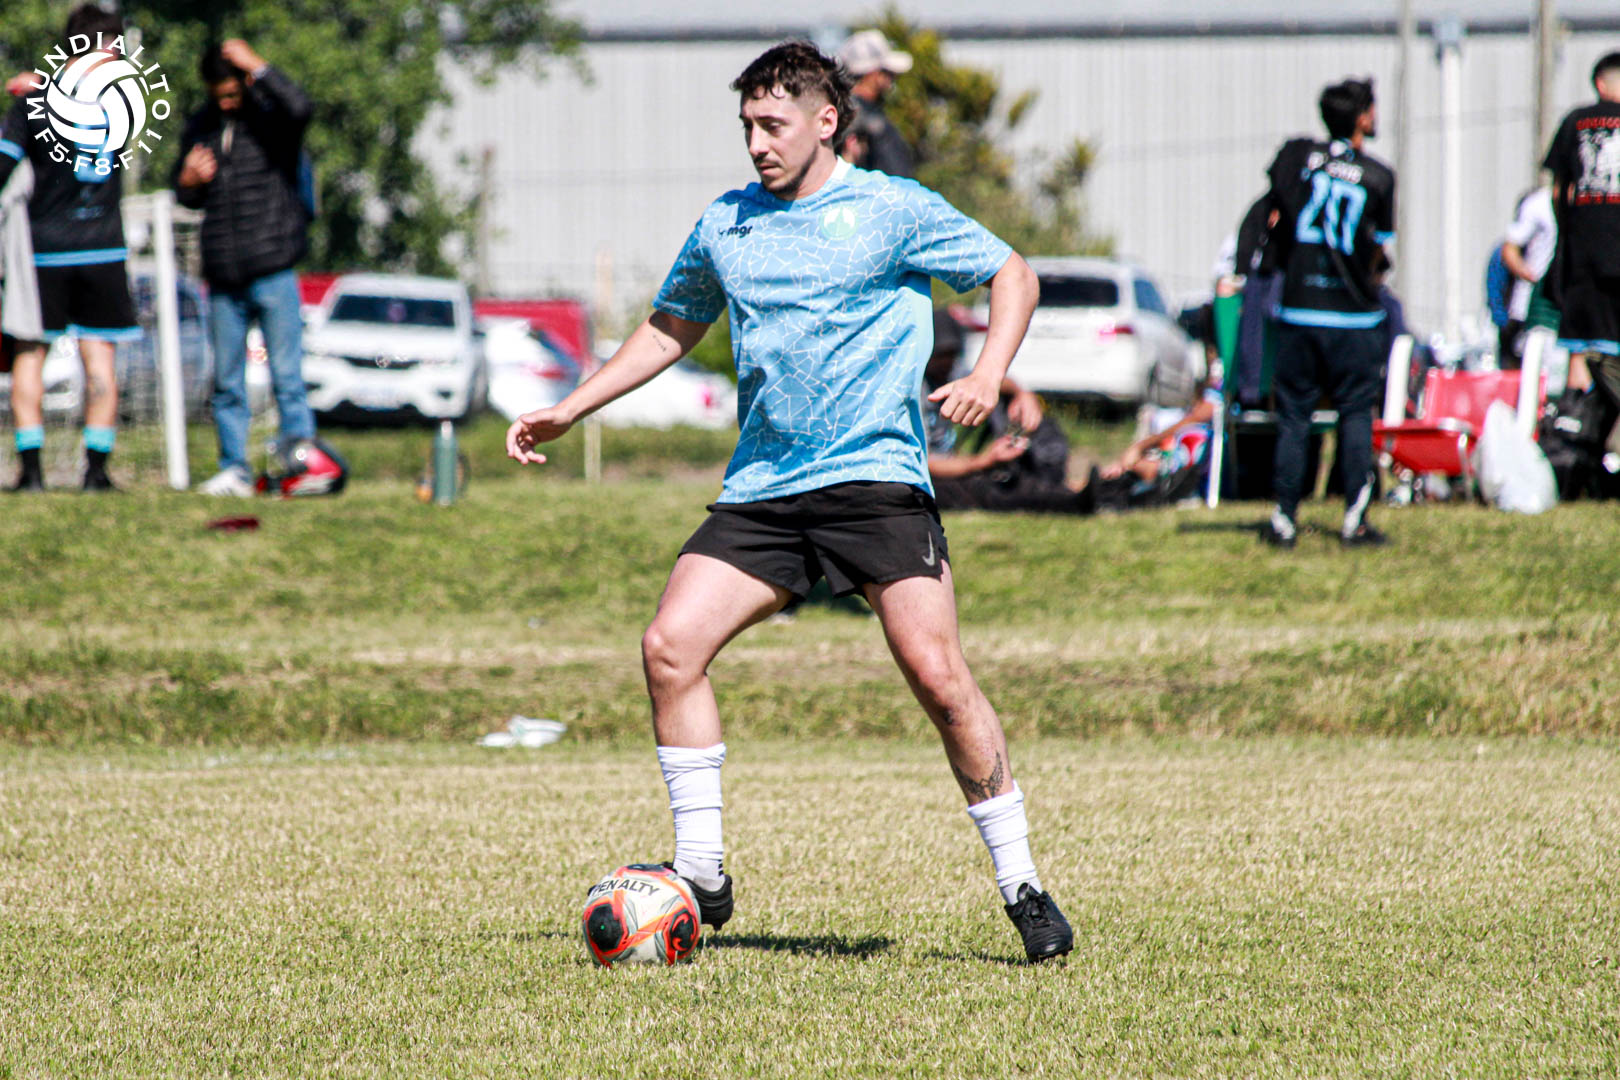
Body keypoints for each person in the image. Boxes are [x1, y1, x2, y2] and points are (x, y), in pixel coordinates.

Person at [507, 42, 1071, 962]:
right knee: (669, 647)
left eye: (773, 125)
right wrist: (572, 407)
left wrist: (988, 372)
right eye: (747, 127)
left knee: (939, 678)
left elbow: (1014, 273)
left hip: (877, 484)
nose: (757, 144)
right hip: (765, 491)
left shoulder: (892, 209)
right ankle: (702, 875)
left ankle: (1024, 886)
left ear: (826, 121)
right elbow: (671, 326)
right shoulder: (727, 223)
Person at [0, 5, 144, 493]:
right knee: (99, 360)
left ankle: (32, 473)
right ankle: (96, 473)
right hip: (103, 250)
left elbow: (3, 166)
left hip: (45, 253)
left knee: (30, 355)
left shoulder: (34, 102)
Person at [174, 40, 317, 497]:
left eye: (233, 92)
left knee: (287, 378)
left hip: (273, 266)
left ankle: (301, 465)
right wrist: (186, 181)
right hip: (223, 275)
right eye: (218, 94)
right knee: (227, 383)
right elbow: (185, 192)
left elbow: (302, 107)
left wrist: (257, 64)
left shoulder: (271, 119)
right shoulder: (202, 126)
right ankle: (234, 469)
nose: (226, 102)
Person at [1260, 77, 1396, 549]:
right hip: (1353, 317)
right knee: (1355, 415)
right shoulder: (1378, 175)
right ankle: (1354, 520)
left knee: (1294, 419)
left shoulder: (1299, 159)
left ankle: (1283, 520)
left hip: (1299, 311)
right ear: (1361, 117)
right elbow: (1379, 253)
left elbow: (1276, 208)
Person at [923, 309, 1095, 514]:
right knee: (978, 489)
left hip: (958, 464)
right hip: (927, 477)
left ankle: (1056, 481)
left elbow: (989, 382)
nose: (946, 362)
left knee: (1001, 476)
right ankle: (1068, 502)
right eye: (940, 355)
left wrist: (1022, 395)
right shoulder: (915, 391)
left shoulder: (951, 372)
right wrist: (983, 461)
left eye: (951, 354)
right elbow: (927, 463)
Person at [1542, 52, 1620, 443]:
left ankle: (1576, 441)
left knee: (1580, 349)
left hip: (1584, 256)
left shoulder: (1576, 121)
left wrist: (1569, 229)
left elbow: (1559, 190)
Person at [834, 30, 915, 179]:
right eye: (886, 72)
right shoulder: (856, 117)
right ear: (873, 74)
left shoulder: (860, 112)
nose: (892, 79)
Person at [1498, 186, 1557, 368]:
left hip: (1566, 306)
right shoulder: (1539, 203)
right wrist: (1532, 277)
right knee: (1530, 369)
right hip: (1531, 308)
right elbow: (1509, 249)